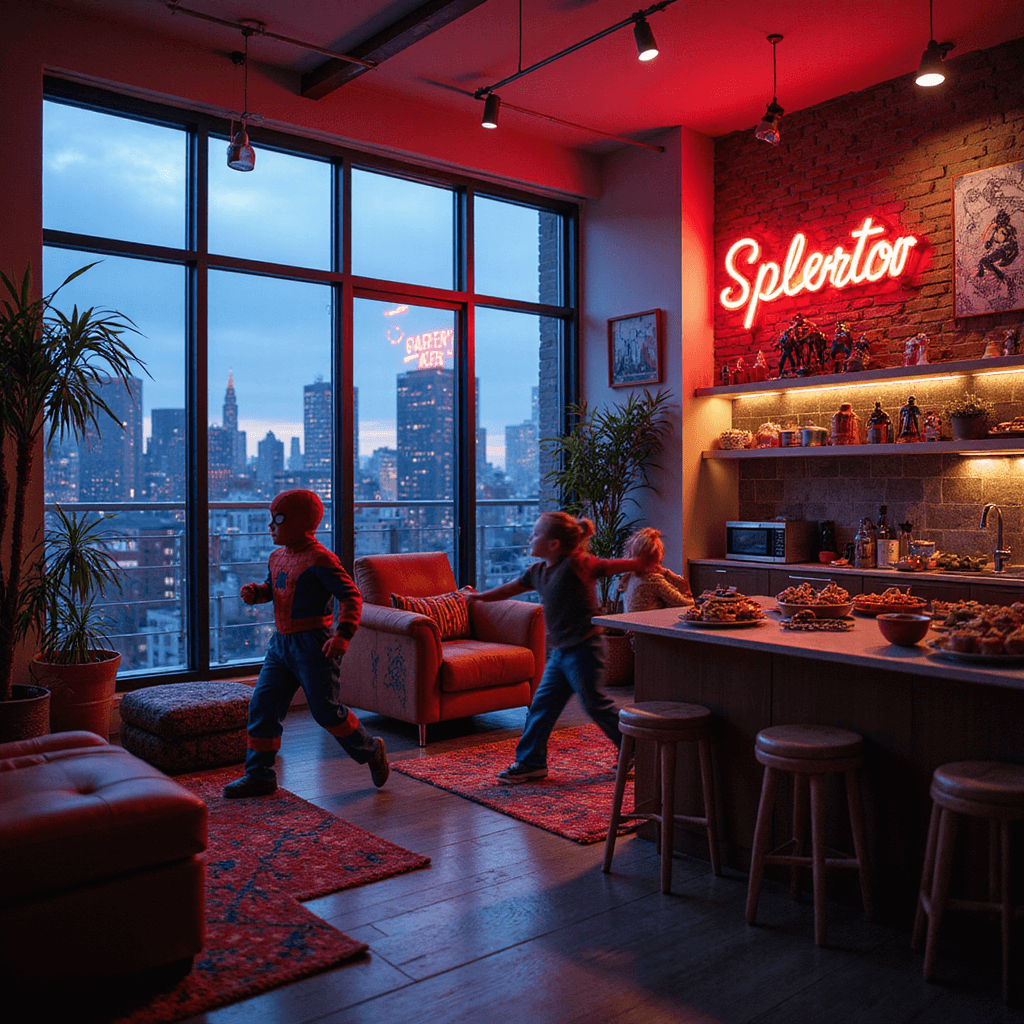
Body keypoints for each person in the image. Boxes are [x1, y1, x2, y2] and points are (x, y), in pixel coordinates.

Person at [222, 488, 389, 798]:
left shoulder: (321, 559)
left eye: (279, 519)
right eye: (271, 519)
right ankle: (258, 774)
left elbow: (351, 594)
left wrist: (342, 636)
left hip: (315, 645)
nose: (271, 526)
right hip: (281, 645)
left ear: (299, 522)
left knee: (326, 712)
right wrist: (257, 593)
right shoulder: (277, 557)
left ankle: (370, 750)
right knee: (263, 705)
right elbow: (277, 588)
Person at [468, 511, 657, 784]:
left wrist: (639, 562)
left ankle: (636, 749)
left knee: (596, 705)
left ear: (554, 544)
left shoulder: (577, 564)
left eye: (535, 534)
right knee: (541, 706)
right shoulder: (537, 572)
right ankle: (530, 762)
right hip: (561, 654)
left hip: (585, 649)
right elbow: (510, 589)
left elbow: (608, 566)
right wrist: (479, 598)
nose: (530, 538)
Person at [618, 527, 694, 613]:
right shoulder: (653, 580)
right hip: (650, 625)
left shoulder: (631, 576)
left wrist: (666, 572)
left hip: (632, 625)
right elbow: (685, 604)